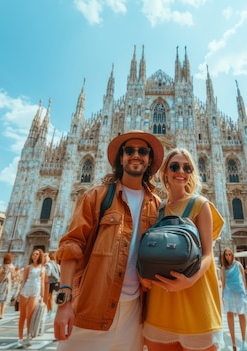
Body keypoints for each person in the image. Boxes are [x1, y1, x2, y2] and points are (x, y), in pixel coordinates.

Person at [54, 129, 165, 351]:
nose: (136, 155)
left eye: (142, 151)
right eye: (129, 151)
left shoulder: (157, 204)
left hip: (135, 315)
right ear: (120, 158)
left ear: (150, 160)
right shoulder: (97, 196)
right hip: (91, 309)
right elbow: (71, 246)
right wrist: (64, 303)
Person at [143, 147, 225, 351]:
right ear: (165, 173)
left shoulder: (201, 204)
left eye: (187, 167)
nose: (181, 171)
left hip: (195, 295)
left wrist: (189, 280)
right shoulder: (158, 208)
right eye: (175, 166)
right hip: (161, 300)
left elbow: (208, 254)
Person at [17, 248, 46, 348]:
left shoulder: (43, 268)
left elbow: (42, 283)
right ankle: (20, 338)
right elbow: (24, 281)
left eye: (36, 254)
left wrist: (42, 296)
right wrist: (19, 292)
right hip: (25, 291)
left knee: (30, 315)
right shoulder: (28, 267)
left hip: (35, 292)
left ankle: (28, 336)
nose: (34, 255)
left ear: (40, 256)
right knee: (22, 316)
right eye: (33, 254)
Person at [221, 249, 247, 351]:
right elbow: (223, 282)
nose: (228, 257)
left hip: (239, 291)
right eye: (226, 255)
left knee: (242, 314)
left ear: (233, 255)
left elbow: (243, 279)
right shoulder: (223, 268)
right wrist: (222, 296)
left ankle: (243, 342)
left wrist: (245, 292)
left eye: (229, 254)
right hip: (228, 292)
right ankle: (234, 344)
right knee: (230, 315)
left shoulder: (238, 265)